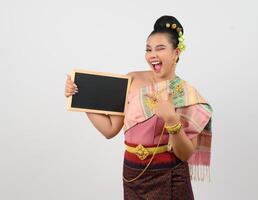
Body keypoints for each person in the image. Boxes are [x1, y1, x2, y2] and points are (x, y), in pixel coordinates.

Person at [64, 15, 213, 200]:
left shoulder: (186, 93)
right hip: (133, 174)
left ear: (176, 52)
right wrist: (80, 97)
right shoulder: (131, 80)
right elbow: (110, 130)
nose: (152, 55)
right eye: (148, 49)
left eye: (160, 48)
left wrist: (172, 120)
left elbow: (185, 154)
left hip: (171, 176)